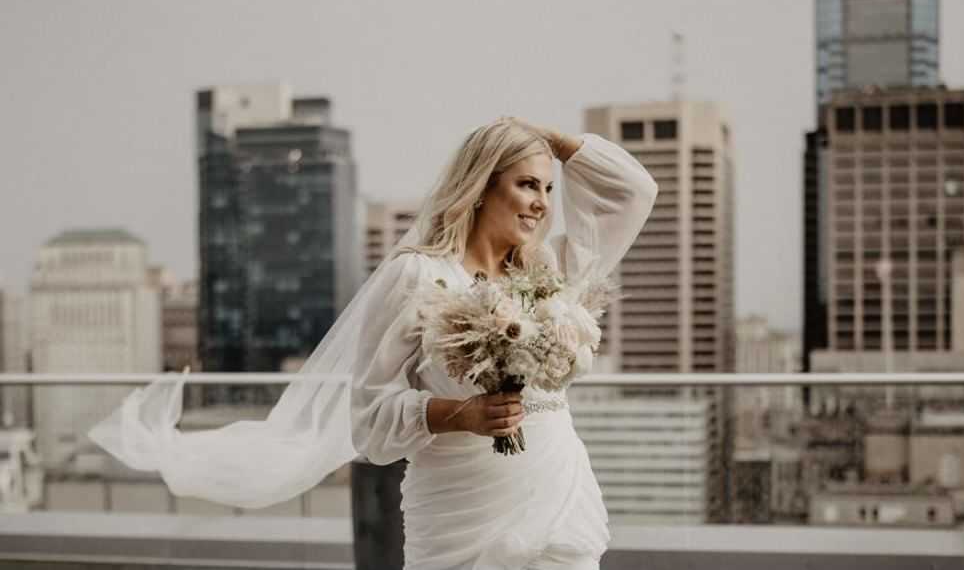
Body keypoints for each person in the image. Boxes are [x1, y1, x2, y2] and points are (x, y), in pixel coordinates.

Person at [89, 117, 658, 570]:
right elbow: (369, 419)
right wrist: (460, 414)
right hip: (464, 507)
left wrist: (550, 140)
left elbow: (634, 193)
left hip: (557, 494)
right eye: (527, 184)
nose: (541, 202)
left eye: (549, 189)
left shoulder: (550, 272)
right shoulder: (417, 277)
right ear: (483, 186)